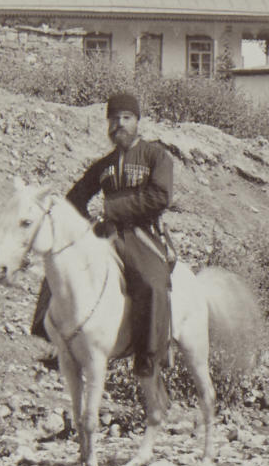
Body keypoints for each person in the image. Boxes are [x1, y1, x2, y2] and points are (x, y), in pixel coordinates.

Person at [30, 91, 175, 383]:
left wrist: (112, 207)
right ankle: (50, 341)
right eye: (113, 119)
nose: (119, 125)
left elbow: (160, 196)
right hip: (105, 232)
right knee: (58, 266)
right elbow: (76, 197)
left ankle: (148, 356)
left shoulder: (156, 156)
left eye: (126, 118)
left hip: (141, 232)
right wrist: (73, 216)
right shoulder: (104, 165)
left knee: (150, 282)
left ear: (137, 121)